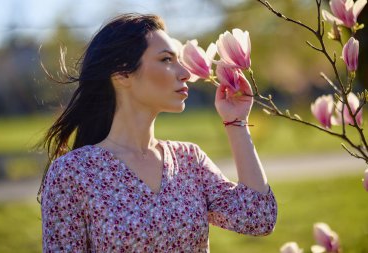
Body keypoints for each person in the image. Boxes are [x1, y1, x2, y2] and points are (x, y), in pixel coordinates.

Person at [39, 13, 277, 252]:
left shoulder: (189, 160)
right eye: (166, 60)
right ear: (122, 74)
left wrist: (236, 122)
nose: (185, 72)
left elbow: (258, 218)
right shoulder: (73, 173)